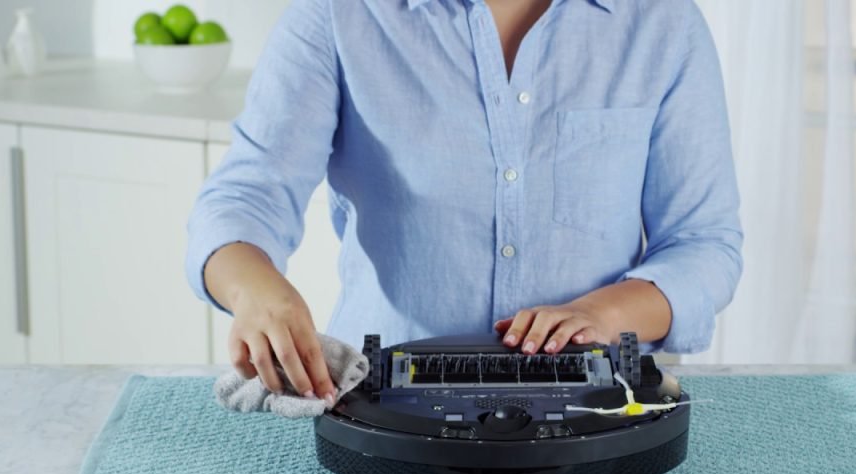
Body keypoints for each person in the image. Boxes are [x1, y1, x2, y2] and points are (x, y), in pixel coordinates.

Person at [186, 0, 743, 403]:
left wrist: (604, 313)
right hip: (379, 404)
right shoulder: (338, 16)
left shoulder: (663, 23)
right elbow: (246, 194)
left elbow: (703, 244)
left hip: (598, 409)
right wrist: (257, 291)